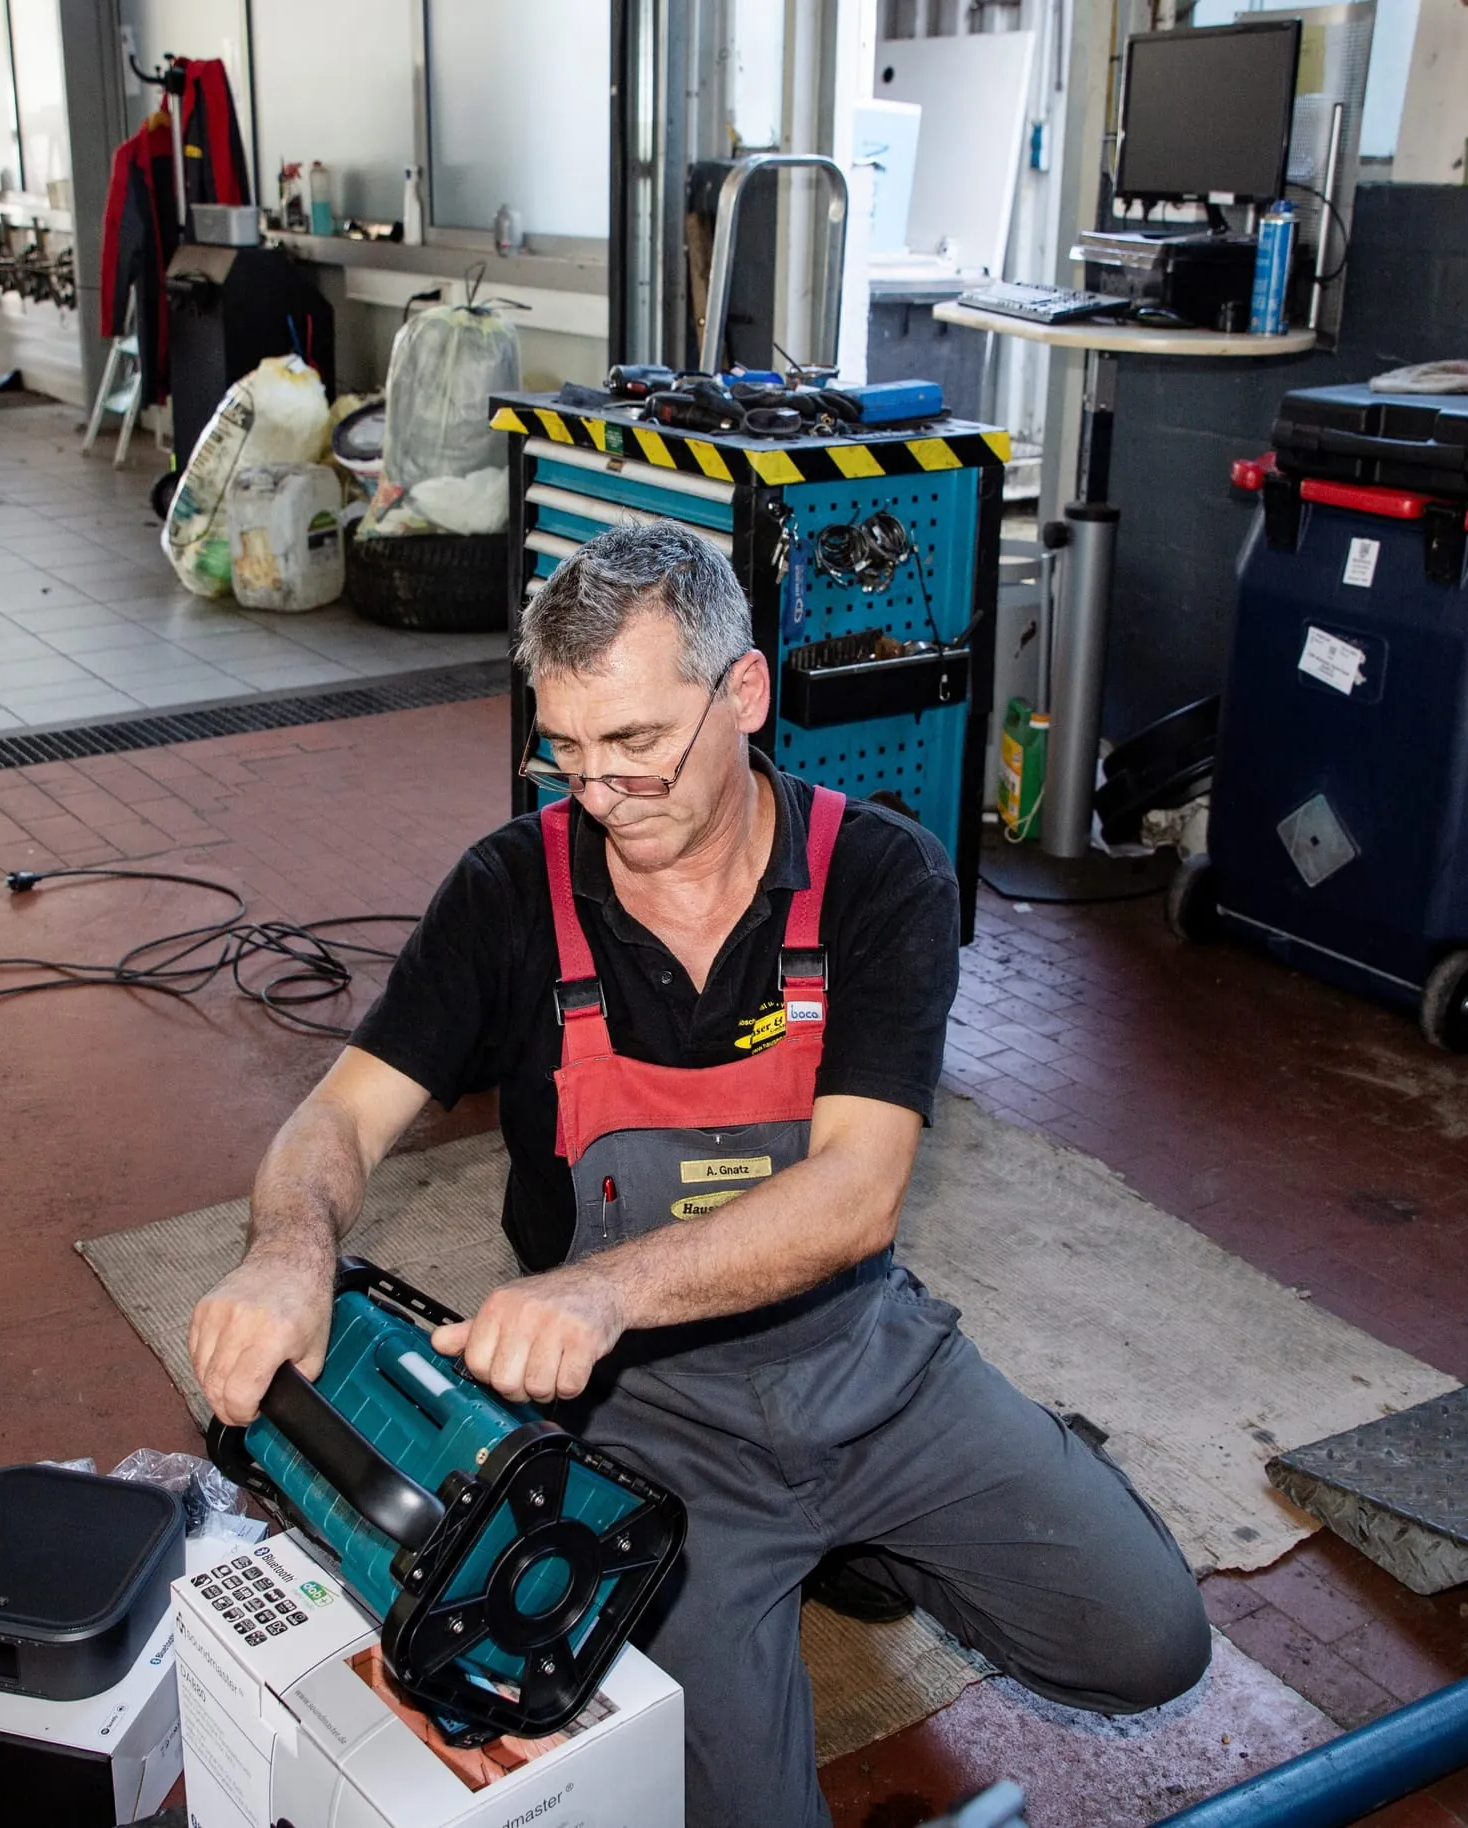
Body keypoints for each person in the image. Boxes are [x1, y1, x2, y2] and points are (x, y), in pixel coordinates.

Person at [188, 521, 1208, 1826]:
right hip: (642, 1430)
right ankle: (802, 1562)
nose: (600, 794)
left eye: (636, 744)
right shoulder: (510, 891)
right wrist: (289, 1249)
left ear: (745, 693)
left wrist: (600, 1290)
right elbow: (340, 1113)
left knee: (1148, 1648)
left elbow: (856, 1195)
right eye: (566, 751)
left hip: (867, 1365)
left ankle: (884, 1539)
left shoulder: (878, 878)